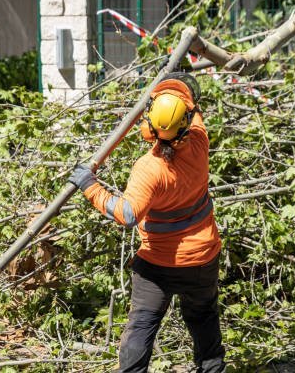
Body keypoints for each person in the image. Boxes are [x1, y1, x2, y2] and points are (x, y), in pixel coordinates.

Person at [68, 72, 225, 373]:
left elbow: (127, 214)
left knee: (141, 326)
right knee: (204, 320)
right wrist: (177, 81)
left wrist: (91, 186)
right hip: (203, 259)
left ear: (148, 126)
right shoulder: (200, 143)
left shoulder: (149, 169)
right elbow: (193, 108)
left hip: (159, 265)